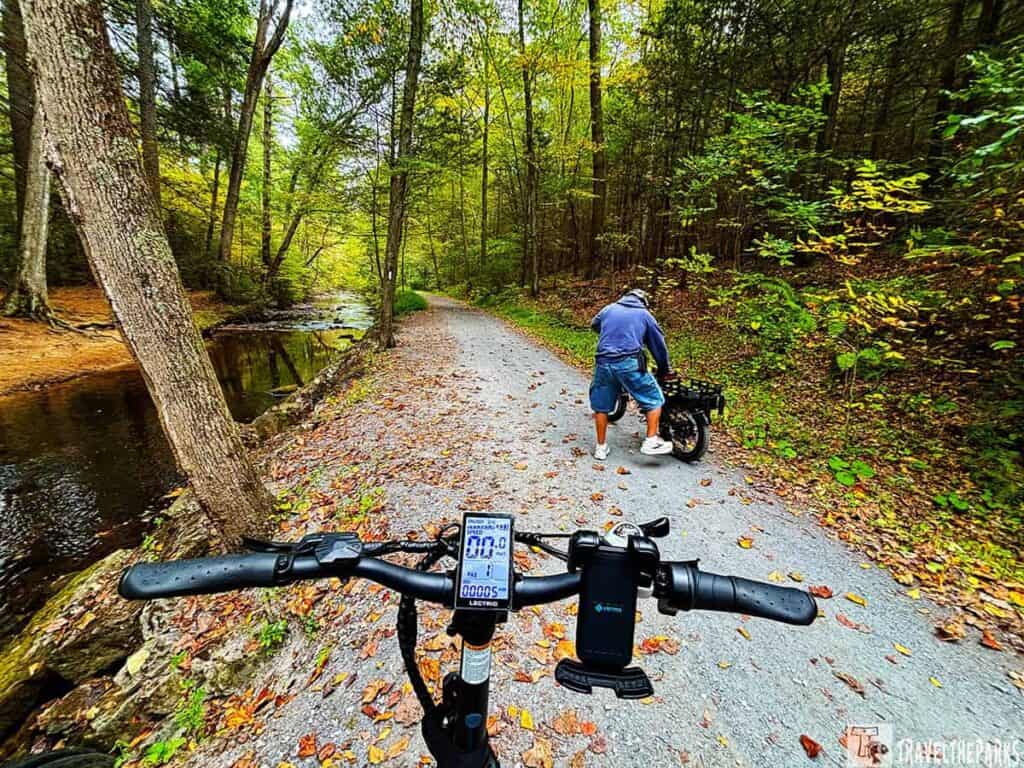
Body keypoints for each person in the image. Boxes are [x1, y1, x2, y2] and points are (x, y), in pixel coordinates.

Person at [589, 289, 674, 459]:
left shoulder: (609, 309)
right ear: (643, 301)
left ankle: (600, 447)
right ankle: (651, 441)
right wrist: (664, 368)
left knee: (601, 405)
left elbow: (594, 325)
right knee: (654, 399)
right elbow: (658, 345)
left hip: (604, 362)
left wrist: (611, 333)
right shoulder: (644, 315)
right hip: (628, 363)